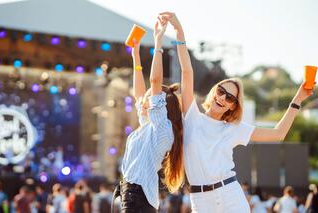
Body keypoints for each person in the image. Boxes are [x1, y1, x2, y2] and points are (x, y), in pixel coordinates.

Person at [159, 11, 315, 213]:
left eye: (230, 97)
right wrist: (179, 32)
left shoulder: (233, 128)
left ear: (233, 106)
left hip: (230, 196)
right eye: (221, 91)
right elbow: (187, 73)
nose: (222, 98)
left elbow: (278, 134)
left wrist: (297, 99)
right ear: (214, 91)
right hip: (200, 199)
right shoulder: (192, 117)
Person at [114, 17, 184, 212]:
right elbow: (138, 92)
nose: (143, 101)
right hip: (132, 195)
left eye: (149, 99)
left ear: (160, 105)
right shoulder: (149, 125)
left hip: (138, 197)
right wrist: (135, 55)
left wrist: (158, 43)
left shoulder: (162, 127)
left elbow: (154, 81)